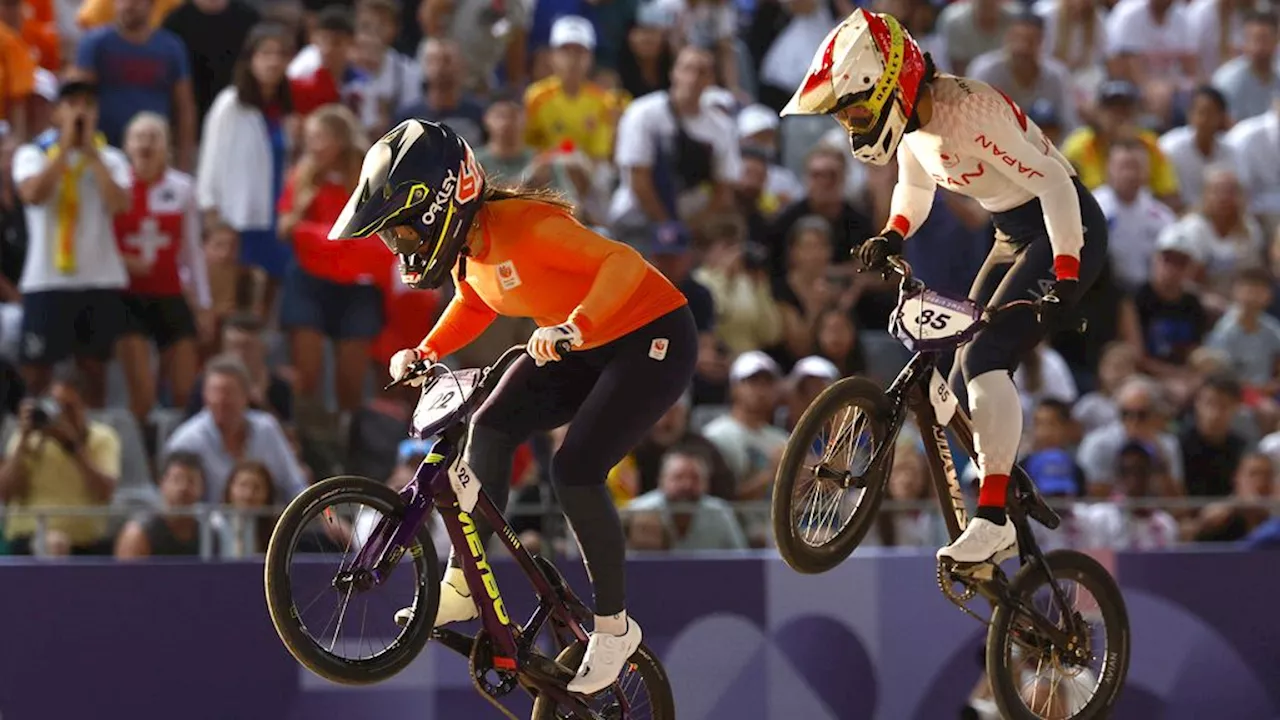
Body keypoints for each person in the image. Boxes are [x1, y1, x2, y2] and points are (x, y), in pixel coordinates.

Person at [328, 119, 697, 695]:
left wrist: (578, 325)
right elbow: (475, 303)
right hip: (581, 341)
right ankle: (460, 584)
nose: (397, 246)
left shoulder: (526, 227)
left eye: (400, 232)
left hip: (652, 335)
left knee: (574, 470)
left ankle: (614, 628)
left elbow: (622, 263)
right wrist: (425, 350)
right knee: (491, 425)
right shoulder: (467, 251)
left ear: (438, 208)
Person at [783, 8, 1110, 566]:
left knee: (984, 358)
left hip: (1063, 226)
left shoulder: (969, 114)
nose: (853, 124)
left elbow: (1057, 183)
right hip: (1011, 232)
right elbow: (915, 186)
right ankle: (1000, 490)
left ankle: (993, 516)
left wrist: (1067, 273)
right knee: (958, 374)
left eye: (856, 109)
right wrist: (893, 233)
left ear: (890, 85)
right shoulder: (913, 122)